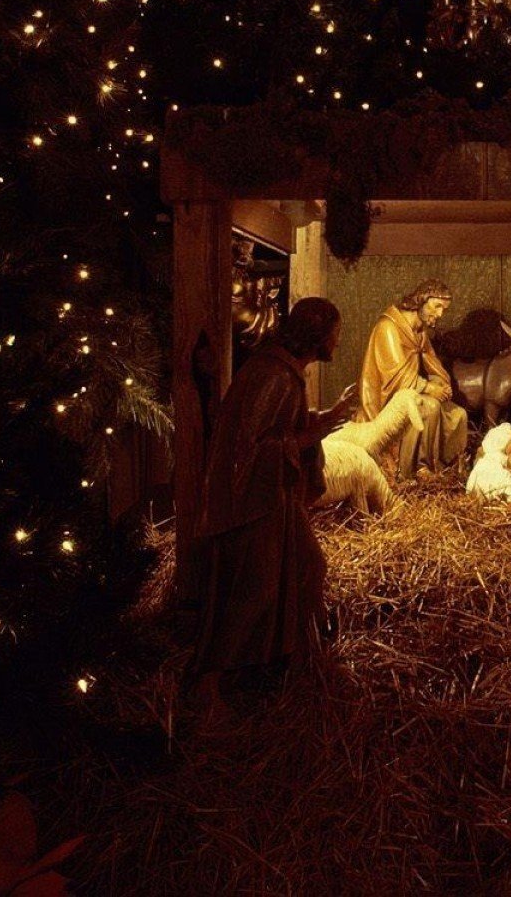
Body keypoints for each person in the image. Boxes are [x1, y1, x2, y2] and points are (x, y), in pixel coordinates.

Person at [188, 297, 357, 711]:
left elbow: (280, 429)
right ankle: (208, 682)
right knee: (255, 590)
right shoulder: (274, 375)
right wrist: (316, 431)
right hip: (252, 503)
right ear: (317, 336)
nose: (338, 341)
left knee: (307, 568)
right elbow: (250, 448)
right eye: (335, 333)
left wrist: (323, 418)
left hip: (273, 497)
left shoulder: (285, 372)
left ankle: (293, 662)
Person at [358, 278, 469, 479]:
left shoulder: (420, 332)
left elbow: (432, 363)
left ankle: (446, 467)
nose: (440, 314)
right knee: (430, 407)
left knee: (458, 414)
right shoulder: (388, 327)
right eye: (437, 306)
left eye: (444, 309)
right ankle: (414, 469)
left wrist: (440, 383)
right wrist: (429, 388)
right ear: (421, 300)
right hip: (387, 400)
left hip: (410, 391)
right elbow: (397, 377)